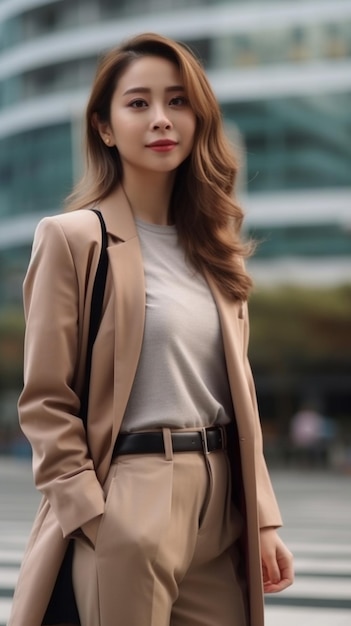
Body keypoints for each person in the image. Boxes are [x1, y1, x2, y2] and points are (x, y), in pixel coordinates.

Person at [9, 32, 293, 626]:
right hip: (131, 491)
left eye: (177, 101)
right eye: (138, 103)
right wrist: (96, 517)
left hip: (223, 500)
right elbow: (45, 401)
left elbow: (239, 397)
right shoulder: (72, 239)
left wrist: (263, 518)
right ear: (105, 127)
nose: (161, 119)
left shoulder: (217, 253)